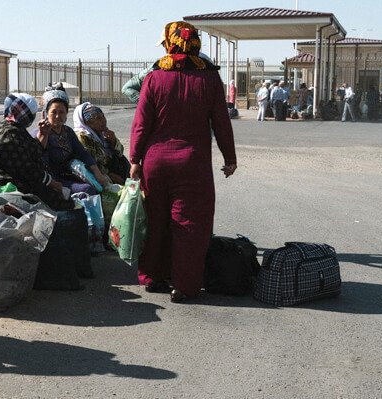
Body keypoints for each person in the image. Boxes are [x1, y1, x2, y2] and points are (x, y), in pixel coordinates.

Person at [129, 21, 237, 303]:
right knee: (189, 224)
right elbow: (222, 123)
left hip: (155, 163)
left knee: (155, 220)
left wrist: (135, 159)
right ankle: (184, 285)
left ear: (169, 43)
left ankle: (153, 276)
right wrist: (230, 158)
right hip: (193, 164)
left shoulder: (154, 78)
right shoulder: (210, 79)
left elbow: (141, 123)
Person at [0, 93, 75, 210]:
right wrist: (53, 183)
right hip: (4, 189)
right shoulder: (9, 135)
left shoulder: (12, 129)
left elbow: (33, 151)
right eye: (32, 114)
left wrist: (43, 133)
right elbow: (29, 170)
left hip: (16, 183)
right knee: (64, 203)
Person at [32, 89, 111, 194]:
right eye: (53, 112)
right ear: (46, 113)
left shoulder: (68, 132)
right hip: (52, 180)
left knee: (100, 184)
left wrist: (97, 172)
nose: (57, 116)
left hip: (71, 174)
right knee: (87, 190)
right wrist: (43, 135)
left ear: (66, 114)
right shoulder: (39, 133)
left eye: (61, 112)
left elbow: (82, 153)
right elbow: (39, 161)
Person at [73, 102, 130, 185]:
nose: (104, 120)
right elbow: (91, 163)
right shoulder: (83, 137)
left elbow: (120, 153)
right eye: (98, 118)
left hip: (111, 169)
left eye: (103, 116)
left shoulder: (102, 133)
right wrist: (110, 175)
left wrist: (114, 141)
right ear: (87, 122)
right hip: (98, 174)